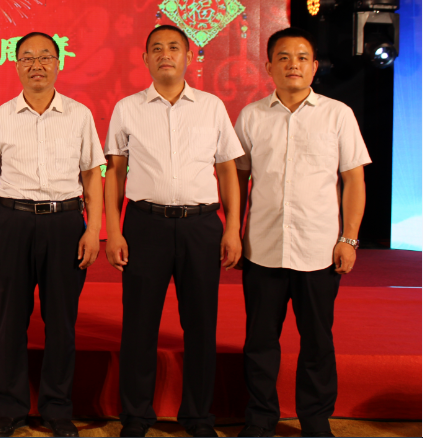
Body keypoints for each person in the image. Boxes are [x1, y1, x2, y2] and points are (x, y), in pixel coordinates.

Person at [104, 24, 243, 438]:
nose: (165, 54)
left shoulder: (212, 107)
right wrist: (113, 230)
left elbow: (227, 171)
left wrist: (232, 228)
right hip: (145, 225)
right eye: (157, 48)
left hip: (202, 226)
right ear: (145, 58)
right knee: (139, 325)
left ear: (189, 57)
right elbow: (115, 173)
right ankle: (136, 416)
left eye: (174, 48)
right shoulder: (127, 108)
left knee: (201, 325)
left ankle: (198, 417)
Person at [233, 27, 370, 438]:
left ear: (314, 67)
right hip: (263, 248)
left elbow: (353, 179)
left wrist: (349, 238)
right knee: (260, 343)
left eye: (301, 57)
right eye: (283, 57)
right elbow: (238, 179)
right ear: (268, 67)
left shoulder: (337, 114)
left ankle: (315, 421)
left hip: (318, 249)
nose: (293, 64)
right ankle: (260, 419)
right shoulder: (251, 116)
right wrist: (233, 232)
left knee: (317, 342)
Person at [0, 32, 105, 438]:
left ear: (58, 63)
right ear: (16, 65)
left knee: (61, 321)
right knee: (11, 319)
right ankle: (10, 408)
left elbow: (92, 175)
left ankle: (57, 408)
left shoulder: (79, 115)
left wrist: (93, 229)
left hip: (65, 223)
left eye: (45, 57)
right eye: (28, 58)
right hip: (11, 223)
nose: (37, 65)